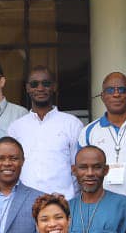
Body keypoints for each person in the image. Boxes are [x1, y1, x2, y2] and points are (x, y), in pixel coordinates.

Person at [8, 66, 83, 197]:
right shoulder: (16, 128)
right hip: (25, 204)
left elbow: (78, 168)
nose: (40, 88)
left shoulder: (72, 124)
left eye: (46, 83)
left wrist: (72, 201)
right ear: (27, 88)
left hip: (64, 204)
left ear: (54, 86)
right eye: (34, 84)